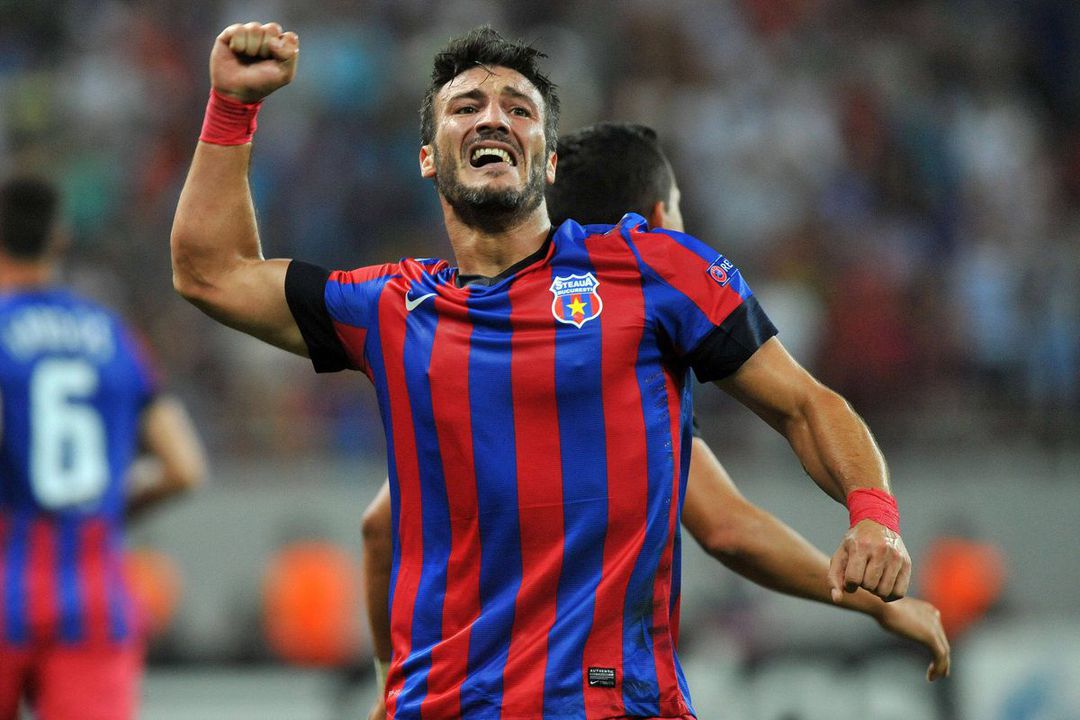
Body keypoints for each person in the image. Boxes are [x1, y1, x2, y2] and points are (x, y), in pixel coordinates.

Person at [172, 23, 915, 718]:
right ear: (428, 156)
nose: (493, 118)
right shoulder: (391, 308)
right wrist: (233, 106)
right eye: (466, 106)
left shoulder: (650, 270)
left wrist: (874, 518)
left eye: (519, 109)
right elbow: (210, 272)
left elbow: (803, 404)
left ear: (549, 161)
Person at [357, 121, 949, 717]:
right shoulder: (632, 346)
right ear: (659, 217)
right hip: (598, 692)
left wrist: (392, 680)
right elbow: (730, 527)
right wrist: (877, 596)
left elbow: (380, 526)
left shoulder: (475, 337)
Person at [0, 176, 208, 720]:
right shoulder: (111, 335)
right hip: (94, 597)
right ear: (59, 238)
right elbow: (184, 467)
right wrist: (104, 506)